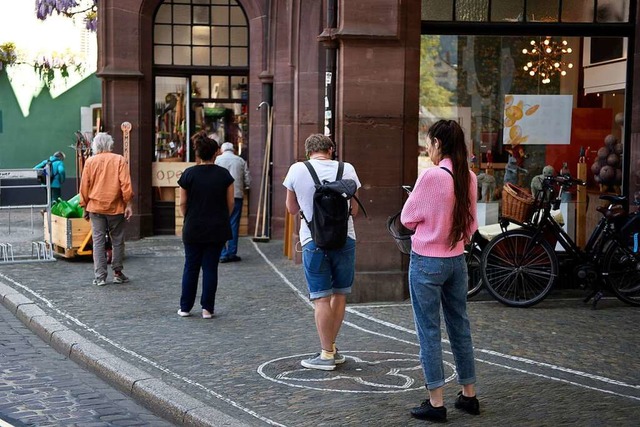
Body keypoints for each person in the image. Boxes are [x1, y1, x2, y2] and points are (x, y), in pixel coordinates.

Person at [401, 119, 480, 422]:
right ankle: (469, 395)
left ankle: (436, 403)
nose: (429, 147)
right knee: (460, 325)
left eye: (430, 141)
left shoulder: (431, 176)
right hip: (457, 260)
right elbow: (471, 223)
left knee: (429, 330)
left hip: (427, 261)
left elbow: (408, 218)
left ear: (439, 144)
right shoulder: (469, 177)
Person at [283, 134, 361, 371]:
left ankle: (326, 354)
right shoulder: (347, 169)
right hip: (345, 239)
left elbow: (291, 208)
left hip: (313, 240)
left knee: (320, 297)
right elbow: (355, 210)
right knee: (339, 294)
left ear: (308, 152)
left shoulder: (297, 170)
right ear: (331, 149)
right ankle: (332, 348)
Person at [177, 132, 234, 319]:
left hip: (193, 226)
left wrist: (189, 217)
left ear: (198, 154)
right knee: (210, 268)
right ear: (215, 153)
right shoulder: (224, 175)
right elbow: (230, 204)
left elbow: (182, 203)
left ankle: (185, 307)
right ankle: (207, 309)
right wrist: (222, 217)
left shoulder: (189, 174)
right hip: (217, 227)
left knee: (191, 267)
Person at [79, 133, 134, 287]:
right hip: (116, 207)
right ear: (110, 145)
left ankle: (100, 276)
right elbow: (126, 185)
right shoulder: (119, 160)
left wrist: (84, 206)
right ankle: (117, 273)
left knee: (98, 242)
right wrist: (128, 204)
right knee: (117, 240)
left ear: (95, 146)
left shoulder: (90, 162)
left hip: (95, 207)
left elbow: (84, 187)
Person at [215, 142, 251, 263]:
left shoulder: (218, 160)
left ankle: (223, 253)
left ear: (222, 150)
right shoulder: (240, 160)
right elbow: (247, 178)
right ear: (233, 150)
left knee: (219, 223)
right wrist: (246, 187)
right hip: (237, 195)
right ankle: (231, 252)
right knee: (234, 224)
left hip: (221, 196)